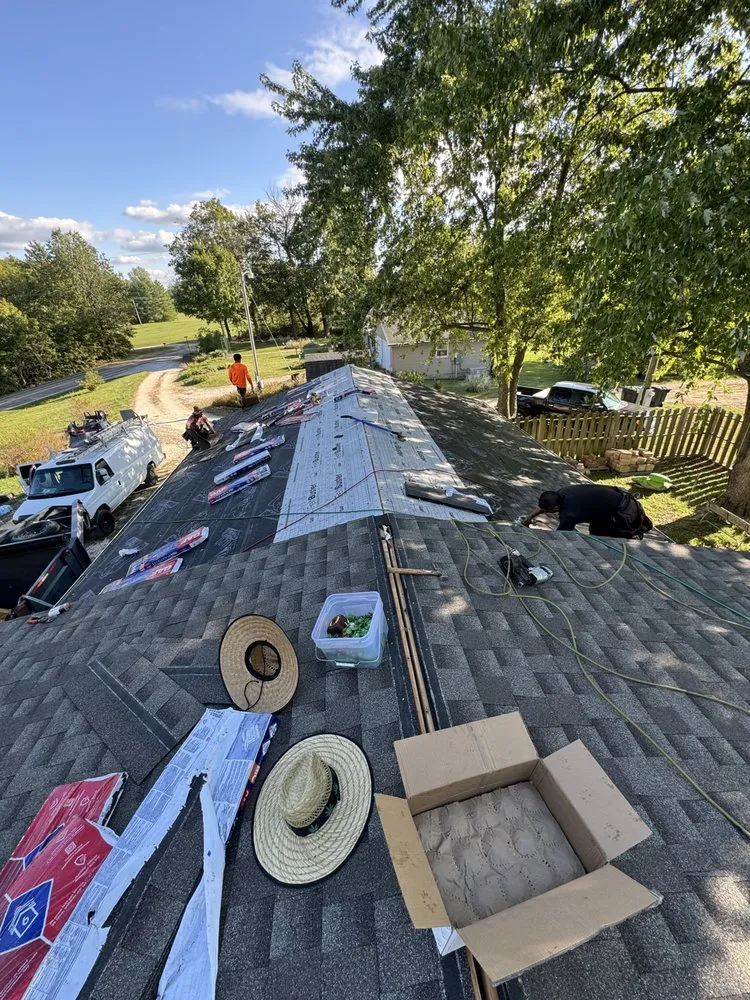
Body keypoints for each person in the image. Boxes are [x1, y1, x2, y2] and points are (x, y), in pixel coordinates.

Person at [523, 484, 653, 539]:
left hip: (624, 510)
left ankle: (632, 535)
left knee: (607, 539)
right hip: (612, 502)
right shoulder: (561, 493)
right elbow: (543, 507)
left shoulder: (569, 514)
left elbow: (561, 536)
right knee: (595, 531)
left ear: (555, 509)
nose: (546, 513)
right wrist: (528, 519)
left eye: (548, 511)